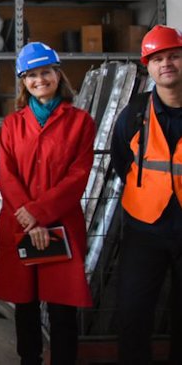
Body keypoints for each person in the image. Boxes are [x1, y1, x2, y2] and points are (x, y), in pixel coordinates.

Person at [0, 42, 95, 365]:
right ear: (24, 81)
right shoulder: (12, 124)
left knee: (62, 307)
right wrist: (31, 219)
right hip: (22, 224)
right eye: (32, 75)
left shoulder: (80, 122)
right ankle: (30, 359)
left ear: (58, 74)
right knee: (26, 303)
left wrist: (38, 213)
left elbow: (78, 175)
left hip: (60, 224)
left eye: (46, 72)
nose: (40, 80)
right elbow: (7, 175)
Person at [111, 24, 182, 364]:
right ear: (148, 66)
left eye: (174, 56)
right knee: (133, 313)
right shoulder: (135, 114)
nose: (166, 64)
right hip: (145, 229)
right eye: (157, 59)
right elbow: (120, 161)